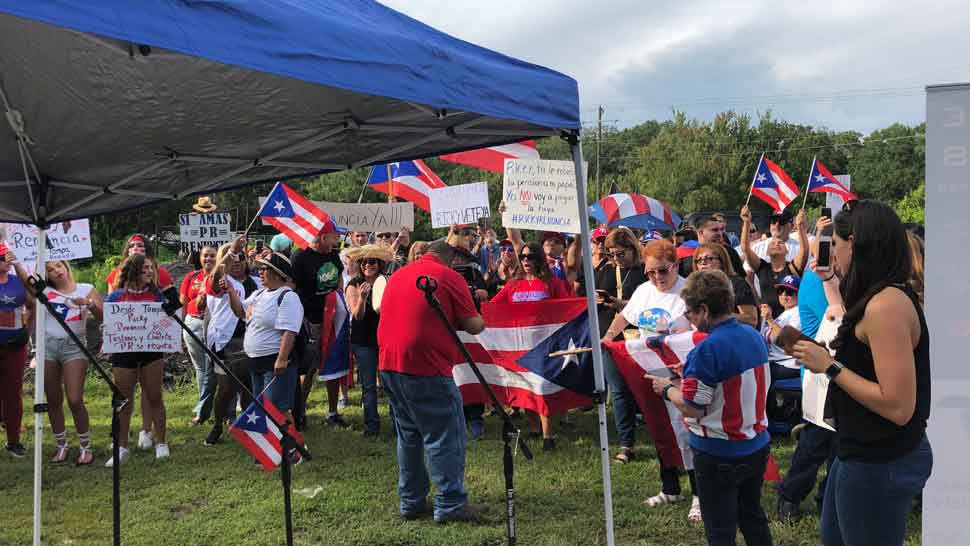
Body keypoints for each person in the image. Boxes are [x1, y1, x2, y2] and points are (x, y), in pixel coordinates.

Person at [792, 200, 932, 546]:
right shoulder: (878, 296)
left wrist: (831, 367)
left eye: (835, 245)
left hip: (882, 457)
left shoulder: (886, 306)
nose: (833, 255)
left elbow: (898, 407)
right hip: (860, 451)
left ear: (853, 243)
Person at [651, 269, 774, 546]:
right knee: (752, 516)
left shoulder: (707, 350)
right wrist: (690, 375)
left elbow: (693, 407)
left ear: (704, 310)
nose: (690, 320)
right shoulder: (752, 334)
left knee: (720, 530)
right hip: (755, 444)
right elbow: (726, 383)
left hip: (718, 452)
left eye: (691, 313)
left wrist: (667, 389)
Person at [377, 242, 486, 524]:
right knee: (444, 435)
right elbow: (473, 325)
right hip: (426, 367)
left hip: (390, 364)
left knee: (409, 435)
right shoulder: (450, 277)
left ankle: (411, 502)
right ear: (451, 260)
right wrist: (478, 312)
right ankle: (450, 504)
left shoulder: (399, 274)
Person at [601, 239, 698, 520]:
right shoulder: (644, 291)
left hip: (679, 373)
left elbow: (699, 330)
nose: (657, 278)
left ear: (676, 266)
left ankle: (698, 494)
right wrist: (608, 337)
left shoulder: (688, 292)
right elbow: (624, 316)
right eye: (650, 272)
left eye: (663, 271)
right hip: (648, 371)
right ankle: (670, 487)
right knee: (659, 427)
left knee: (684, 431)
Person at [490, 241, 573, 449]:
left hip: (545, 343)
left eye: (531, 257)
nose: (526, 261)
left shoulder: (551, 282)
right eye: (523, 257)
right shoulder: (513, 284)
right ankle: (535, 428)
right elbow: (493, 307)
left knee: (540, 387)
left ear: (539, 260)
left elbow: (567, 307)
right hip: (519, 343)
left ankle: (548, 435)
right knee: (525, 387)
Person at [105, 233, 175, 452]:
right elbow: (107, 322)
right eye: (144, 269)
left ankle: (161, 442)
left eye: (151, 268)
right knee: (123, 399)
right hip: (123, 352)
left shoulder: (158, 297)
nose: (150, 271)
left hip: (151, 352)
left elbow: (172, 319)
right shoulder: (115, 297)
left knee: (154, 395)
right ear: (134, 270)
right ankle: (122, 445)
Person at [240, 252, 304, 462]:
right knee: (262, 407)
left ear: (278, 274)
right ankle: (270, 449)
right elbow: (239, 309)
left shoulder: (288, 296)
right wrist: (230, 290)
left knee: (277, 407)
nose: (260, 272)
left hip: (275, 362)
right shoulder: (259, 294)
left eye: (265, 268)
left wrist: (282, 359)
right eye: (260, 268)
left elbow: (290, 331)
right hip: (256, 361)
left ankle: (295, 450)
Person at [42, 260, 102, 465]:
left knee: (75, 399)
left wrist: (90, 304)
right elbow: (27, 282)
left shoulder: (86, 288)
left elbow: (103, 316)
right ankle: (61, 445)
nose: (56, 271)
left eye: (58, 266)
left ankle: (85, 447)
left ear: (66, 267)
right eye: (50, 269)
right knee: (53, 399)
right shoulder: (45, 291)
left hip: (74, 347)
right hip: (48, 347)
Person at [594, 228, 646, 464]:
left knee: (645, 388)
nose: (616, 259)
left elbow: (647, 305)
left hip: (639, 336)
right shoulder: (605, 269)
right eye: (611, 253)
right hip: (609, 336)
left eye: (621, 254)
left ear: (633, 249)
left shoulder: (645, 271)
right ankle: (626, 444)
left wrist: (620, 304)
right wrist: (598, 299)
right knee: (618, 390)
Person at [290, 222, 347, 428]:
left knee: (334, 364)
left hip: (332, 321)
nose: (337, 241)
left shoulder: (332, 254)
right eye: (334, 237)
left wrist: (338, 301)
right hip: (309, 322)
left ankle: (332, 413)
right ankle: (299, 411)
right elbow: (291, 287)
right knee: (308, 368)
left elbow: (339, 277)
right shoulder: (300, 256)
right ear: (323, 237)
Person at [202, 241, 256, 446]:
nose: (236, 261)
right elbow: (216, 276)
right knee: (225, 389)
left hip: (250, 340)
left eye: (240, 257)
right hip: (224, 342)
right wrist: (231, 251)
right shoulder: (217, 282)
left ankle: (248, 427)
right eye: (231, 257)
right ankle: (217, 425)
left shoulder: (257, 282)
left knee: (249, 387)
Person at [344, 244, 393, 437]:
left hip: (384, 339)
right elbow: (357, 316)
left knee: (389, 383)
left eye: (372, 262)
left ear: (379, 264)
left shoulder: (385, 282)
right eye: (363, 262)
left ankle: (397, 425)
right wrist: (363, 298)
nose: (367, 265)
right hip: (363, 341)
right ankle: (372, 427)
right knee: (369, 386)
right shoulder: (353, 285)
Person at [740, 206, 808, 319]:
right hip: (766, 317)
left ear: (787, 251)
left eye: (780, 244)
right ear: (766, 252)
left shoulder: (792, 268)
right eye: (772, 244)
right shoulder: (762, 268)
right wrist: (746, 223)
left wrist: (801, 227)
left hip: (790, 318)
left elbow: (804, 251)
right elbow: (745, 248)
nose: (776, 244)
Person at [181, 245, 217, 426]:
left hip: (212, 324)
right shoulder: (191, 277)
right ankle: (202, 407)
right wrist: (181, 327)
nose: (208, 259)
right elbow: (184, 302)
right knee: (200, 368)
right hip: (192, 322)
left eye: (212, 256)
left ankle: (205, 409)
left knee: (212, 369)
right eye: (205, 256)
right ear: (200, 258)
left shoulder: (219, 276)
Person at [1, 249, 32, 458]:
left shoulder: (17, 280)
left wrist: (27, 333)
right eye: (3, 257)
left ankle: (13, 441)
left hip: (14, 345)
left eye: (8, 257)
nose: (7, 260)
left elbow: (33, 303)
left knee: (13, 392)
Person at [693, 243, 759, 327]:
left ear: (722, 261)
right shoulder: (696, 288)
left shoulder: (737, 284)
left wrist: (722, 315)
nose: (703, 263)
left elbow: (752, 320)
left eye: (708, 258)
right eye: (698, 260)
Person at [760, 274, 802, 380]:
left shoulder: (798, 312)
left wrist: (769, 320)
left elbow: (787, 342)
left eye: (789, 292)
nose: (783, 295)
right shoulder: (783, 314)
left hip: (787, 364)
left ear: (799, 294)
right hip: (773, 362)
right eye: (780, 291)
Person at [679, 215, 745, 278]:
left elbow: (741, 278)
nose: (720, 233)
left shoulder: (729, 252)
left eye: (721, 230)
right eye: (714, 230)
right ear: (701, 233)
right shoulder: (686, 254)